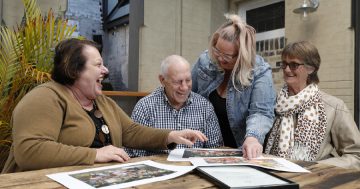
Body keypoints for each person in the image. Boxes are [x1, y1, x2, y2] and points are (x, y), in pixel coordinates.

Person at [2, 38, 208, 173]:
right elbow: (29, 151)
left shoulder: (102, 101)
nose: (105, 70)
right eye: (98, 65)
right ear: (75, 70)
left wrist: (169, 136)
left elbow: (131, 131)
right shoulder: (45, 98)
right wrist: (94, 155)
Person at [265, 41, 360, 169]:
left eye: (294, 65)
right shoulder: (271, 103)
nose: (287, 70)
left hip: (314, 181)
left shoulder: (333, 106)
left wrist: (317, 167)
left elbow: (355, 155)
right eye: (284, 64)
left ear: (311, 68)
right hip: (274, 177)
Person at [191, 14, 275, 159]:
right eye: (217, 51)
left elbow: (261, 112)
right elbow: (189, 94)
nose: (219, 58)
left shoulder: (260, 71)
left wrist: (253, 137)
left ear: (242, 55)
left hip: (239, 149)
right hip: (205, 148)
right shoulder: (205, 61)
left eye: (228, 56)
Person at [125, 55, 223, 157]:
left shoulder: (205, 107)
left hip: (195, 170)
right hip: (160, 170)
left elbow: (215, 149)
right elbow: (135, 153)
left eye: (188, 80)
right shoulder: (145, 107)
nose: (184, 87)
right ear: (162, 80)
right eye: (177, 82)